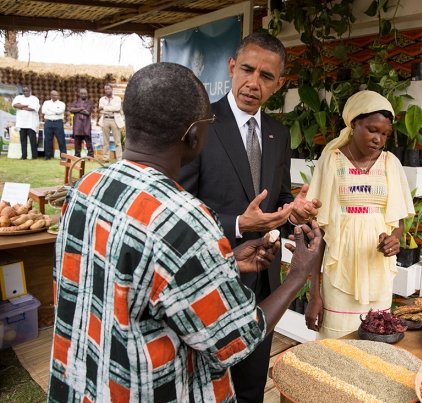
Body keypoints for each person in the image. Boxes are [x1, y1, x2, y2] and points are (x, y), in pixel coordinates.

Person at [48, 62, 323, 403]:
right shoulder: (185, 219)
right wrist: (298, 274)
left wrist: (224, 265)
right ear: (194, 135)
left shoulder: (85, 189)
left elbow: (135, 279)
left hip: (87, 383)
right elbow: (238, 338)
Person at [178, 32, 321, 403]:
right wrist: (239, 225)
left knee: (251, 389)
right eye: (246, 69)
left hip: (263, 286)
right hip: (211, 277)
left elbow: (281, 201)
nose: (253, 83)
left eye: (266, 76)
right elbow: (180, 208)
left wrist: (295, 213)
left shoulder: (278, 133)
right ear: (231, 67)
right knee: (205, 389)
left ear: (279, 83)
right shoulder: (199, 124)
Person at [303, 90, 415, 339]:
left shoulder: (390, 163)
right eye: (373, 130)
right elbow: (319, 233)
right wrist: (314, 294)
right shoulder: (331, 161)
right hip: (339, 274)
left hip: (378, 275)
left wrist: (394, 240)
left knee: (375, 343)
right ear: (354, 123)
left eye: (385, 134)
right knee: (337, 345)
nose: (379, 139)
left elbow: (397, 223)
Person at [12, 85, 40, 160]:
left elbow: (32, 108)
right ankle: (24, 155)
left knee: (33, 141)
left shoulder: (34, 99)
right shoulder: (18, 97)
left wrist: (21, 107)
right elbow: (15, 105)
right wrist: (26, 105)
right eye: (24, 91)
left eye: (27, 91)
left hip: (31, 123)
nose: (26, 92)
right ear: (22, 91)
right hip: (21, 123)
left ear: (30, 91)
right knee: (23, 141)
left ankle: (34, 156)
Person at [98, 83, 124, 162]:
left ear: (112, 89)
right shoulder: (102, 99)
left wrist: (105, 108)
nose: (107, 90)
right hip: (105, 120)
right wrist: (112, 109)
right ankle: (106, 158)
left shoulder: (117, 99)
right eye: (105, 89)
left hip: (115, 120)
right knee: (106, 141)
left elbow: (117, 108)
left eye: (108, 89)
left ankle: (119, 158)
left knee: (117, 141)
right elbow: (101, 110)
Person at [41, 90, 66, 160]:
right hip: (48, 122)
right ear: (51, 96)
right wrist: (55, 111)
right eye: (54, 95)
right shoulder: (46, 103)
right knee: (48, 140)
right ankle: (47, 156)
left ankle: (63, 156)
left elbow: (60, 111)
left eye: (57, 95)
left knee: (61, 140)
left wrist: (50, 110)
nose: (56, 97)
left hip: (58, 122)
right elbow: (44, 111)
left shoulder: (61, 104)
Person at [69, 88, 94, 158]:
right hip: (77, 125)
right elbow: (71, 110)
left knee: (88, 141)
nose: (83, 95)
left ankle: (90, 156)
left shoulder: (89, 103)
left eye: (84, 94)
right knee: (77, 142)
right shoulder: (75, 102)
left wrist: (76, 110)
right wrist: (80, 109)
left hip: (86, 125)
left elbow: (88, 112)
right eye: (82, 94)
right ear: (79, 94)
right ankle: (77, 156)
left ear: (87, 94)